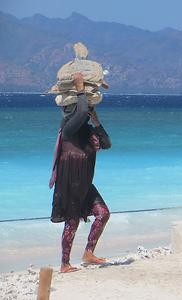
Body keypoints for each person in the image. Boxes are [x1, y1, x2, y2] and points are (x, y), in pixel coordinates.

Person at [50, 73, 112, 273]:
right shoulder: (68, 128)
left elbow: (107, 144)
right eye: (84, 110)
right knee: (72, 220)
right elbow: (82, 108)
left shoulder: (87, 131)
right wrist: (79, 86)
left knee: (103, 214)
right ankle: (64, 264)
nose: (86, 112)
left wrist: (97, 121)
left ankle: (88, 252)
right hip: (69, 182)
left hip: (85, 182)